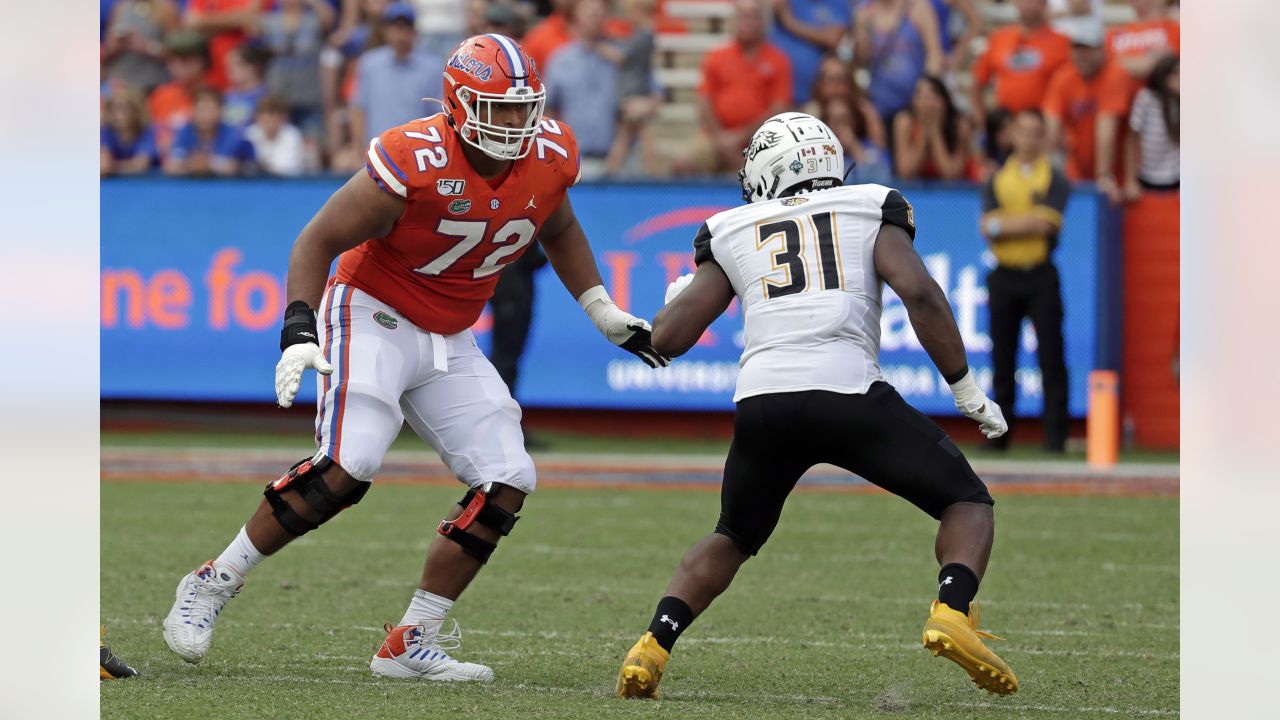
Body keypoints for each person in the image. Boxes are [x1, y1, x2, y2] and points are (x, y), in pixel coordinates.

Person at [162, 33, 667, 682]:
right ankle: (214, 579)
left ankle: (411, 640)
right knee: (352, 462)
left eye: (522, 108)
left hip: (450, 332)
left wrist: (600, 309)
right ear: (459, 105)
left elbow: (559, 226)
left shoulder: (550, 153)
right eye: (498, 108)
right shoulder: (415, 157)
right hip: (371, 309)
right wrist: (298, 330)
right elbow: (316, 240)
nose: (515, 124)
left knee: (508, 476)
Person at [615, 111, 1015, 700]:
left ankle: (651, 646)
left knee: (733, 535)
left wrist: (674, 300)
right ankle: (952, 610)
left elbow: (666, 341)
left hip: (763, 404)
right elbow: (921, 294)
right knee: (966, 501)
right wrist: (965, 389)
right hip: (847, 392)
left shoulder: (731, 228)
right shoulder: (870, 205)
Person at [979, 109, 1070, 453]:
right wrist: (1023, 222)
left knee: (1051, 356)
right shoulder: (998, 177)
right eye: (1023, 131)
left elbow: (1047, 226)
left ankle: (1055, 439)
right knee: (1002, 357)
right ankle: (999, 436)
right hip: (1004, 275)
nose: (1029, 139)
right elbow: (987, 227)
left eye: (1036, 133)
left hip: (1040, 272)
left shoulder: (1054, 177)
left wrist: (1005, 224)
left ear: (1044, 137)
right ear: (1012, 135)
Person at [684, 0, 791, 174]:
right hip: (715, 136)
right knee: (684, 163)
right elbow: (704, 101)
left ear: (763, 22)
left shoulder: (778, 60)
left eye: (753, 16)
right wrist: (720, 138)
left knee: (775, 172)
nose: (747, 21)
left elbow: (779, 109)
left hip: (763, 140)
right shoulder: (716, 56)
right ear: (733, 21)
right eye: (743, 16)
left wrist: (739, 137)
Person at [346, 3, 443, 165]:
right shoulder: (369, 64)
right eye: (396, 27)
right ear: (386, 31)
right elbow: (358, 109)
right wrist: (357, 150)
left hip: (418, 157)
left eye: (405, 27)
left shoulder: (432, 68)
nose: (400, 34)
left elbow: (440, 116)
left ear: (414, 32)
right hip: (377, 155)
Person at [1041, 21, 1129, 182]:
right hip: (1076, 169)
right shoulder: (1063, 77)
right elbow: (1051, 125)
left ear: (1102, 50)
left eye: (1088, 50)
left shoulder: (1114, 74)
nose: (1083, 55)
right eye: (1078, 49)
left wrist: (1103, 175)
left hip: (1116, 172)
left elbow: (1106, 128)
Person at [543, 0, 620, 180]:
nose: (595, 16)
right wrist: (556, 150)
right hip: (572, 158)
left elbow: (652, 94)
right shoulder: (560, 60)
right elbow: (548, 110)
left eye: (600, 12)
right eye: (589, 11)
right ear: (575, 16)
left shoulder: (620, 57)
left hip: (618, 159)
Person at [969, 0, 1069, 132]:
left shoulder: (1062, 43)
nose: (1030, 5)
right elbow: (977, 84)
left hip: (1043, 129)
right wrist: (985, 123)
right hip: (1006, 129)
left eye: (1037, 2)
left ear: (1045, 5)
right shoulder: (998, 38)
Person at [853, 0, 944, 131]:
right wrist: (861, 34)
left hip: (912, 103)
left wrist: (926, 96)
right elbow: (861, 60)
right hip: (878, 103)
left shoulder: (918, 8)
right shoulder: (865, 12)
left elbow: (934, 55)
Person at [257, 0, 336, 143]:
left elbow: (329, 19)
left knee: (311, 148)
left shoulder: (313, 19)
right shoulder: (270, 21)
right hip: (278, 98)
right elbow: (250, 24)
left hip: (309, 98)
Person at [804, 54, 890, 183]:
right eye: (831, 80)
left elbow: (882, 171)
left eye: (842, 79)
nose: (837, 86)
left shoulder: (864, 110)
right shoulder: (810, 115)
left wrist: (854, 147)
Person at [768, 0, 853, 106]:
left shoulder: (838, 3)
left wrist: (788, 21)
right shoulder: (784, 2)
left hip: (817, 100)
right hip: (777, 97)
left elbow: (833, 38)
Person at [892, 74, 975, 180]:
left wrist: (935, 132)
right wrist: (924, 134)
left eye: (932, 97)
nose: (926, 104)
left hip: (956, 193)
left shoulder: (960, 125)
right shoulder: (904, 122)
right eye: (920, 96)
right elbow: (906, 172)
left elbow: (951, 175)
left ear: (944, 102)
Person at [163, 86, 257, 176]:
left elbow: (230, 167)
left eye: (211, 109)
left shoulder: (232, 134)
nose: (206, 115)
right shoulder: (185, 131)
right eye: (202, 109)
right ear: (193, 110)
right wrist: (192, 165)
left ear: (221, 111)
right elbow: (171, 166)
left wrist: (207, 164)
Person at [147, 30, 210, 156]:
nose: (175, 66)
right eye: (171, 61)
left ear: (201, 62)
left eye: (183, 60)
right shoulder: (160, 96)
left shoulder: (215, 97)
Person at [1122, 55, 1178, 194]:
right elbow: (1131, 138)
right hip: (1147, 176)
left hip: (1175, 177)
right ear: (1164, 77)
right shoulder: (1146, 98)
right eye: (1176, 74)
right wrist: (1130, 180)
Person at [183, 0, 261, 91]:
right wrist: (233, 21)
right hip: (211, 71)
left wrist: (205, 24)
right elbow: (192, 23)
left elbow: (248, 19)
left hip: (242, 72)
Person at [245, 93, 307, 176]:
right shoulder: (249, 135)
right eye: (266, 119)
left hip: (287, 185)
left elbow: (286, 169)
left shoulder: (292, 136)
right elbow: (246, 167)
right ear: (257, 117)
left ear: (284, 118)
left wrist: (261, 165)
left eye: (274, 118)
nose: (270, 124)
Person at [101, 87, 160, 176]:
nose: (119, 116)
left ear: (137, 112)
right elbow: (104, 165)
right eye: (113, 111)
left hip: (147, 183)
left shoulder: (147, 131)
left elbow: (141, 165)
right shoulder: (106, 132)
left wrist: (112, 166)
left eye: (125, 110)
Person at [221, 43, 269, 132]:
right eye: (228, 65)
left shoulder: (266, 97)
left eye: (236, 64)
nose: (230, 69)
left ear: (253, 67)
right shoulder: (226, 96)